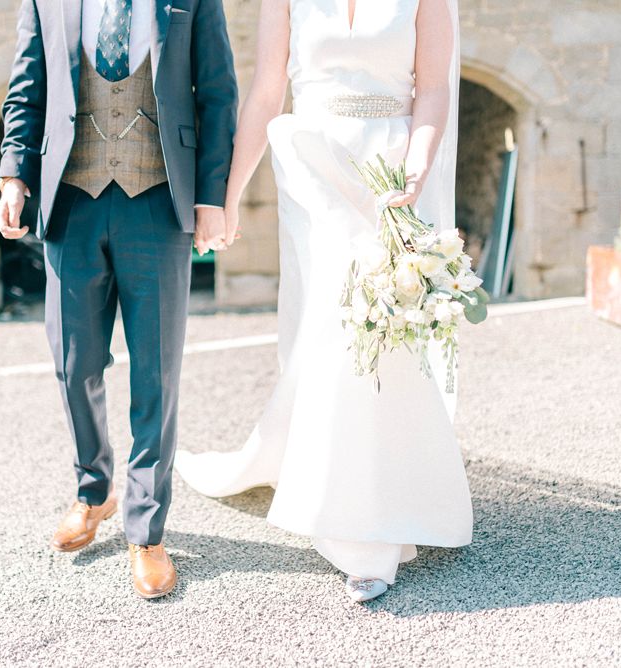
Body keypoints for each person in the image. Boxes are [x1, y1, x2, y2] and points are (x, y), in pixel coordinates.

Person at [175, 0, 473, 602]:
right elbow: (265, 92)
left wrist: (415, 173)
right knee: (328, 330)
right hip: (311, 172)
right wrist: (228, 194)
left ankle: (369, 523)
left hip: (391, 174)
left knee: (381, 336)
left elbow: (435, 89)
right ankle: (336, 495)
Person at [0, 0, 237, 599]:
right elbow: (27, 87)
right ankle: (93, 489)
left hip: (157, 198)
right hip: (70, 199)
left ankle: (147, 529)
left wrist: (213, 196)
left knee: (156, 371)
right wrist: (13, 176)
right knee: (73, 363)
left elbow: (217, 94)